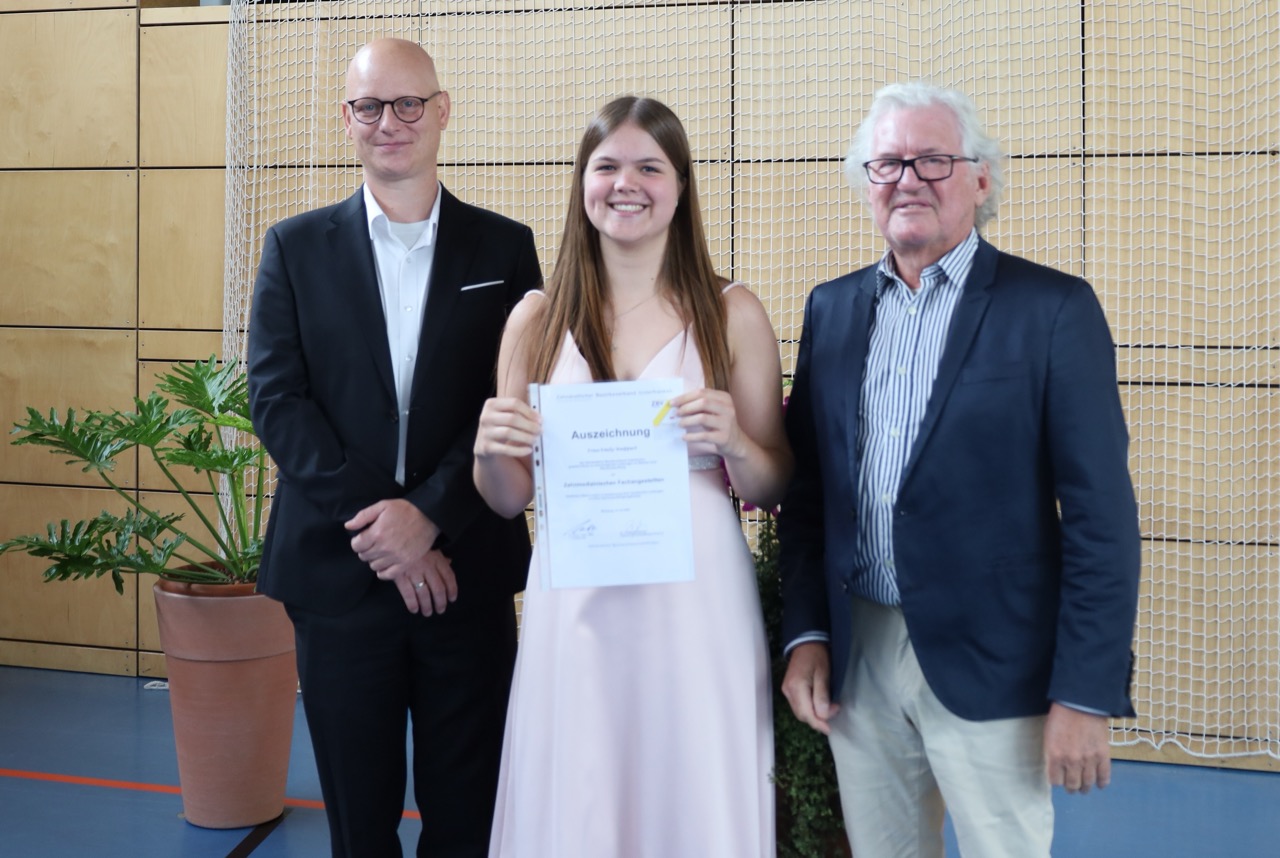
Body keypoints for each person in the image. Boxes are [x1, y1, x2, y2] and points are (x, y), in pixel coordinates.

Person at [777, 82, 1142, 858]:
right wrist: (807, 633)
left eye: (933, 160)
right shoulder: (830, 310)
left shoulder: (1053, 310)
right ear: (867, 185)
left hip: (996, 661)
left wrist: (1085, 690)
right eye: (887, 163)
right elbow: (809, 497)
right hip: (860, 657)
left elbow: (1102, 520)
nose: (908, 178)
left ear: (980, 179)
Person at [472, 96, 791, 857]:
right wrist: (488, 452)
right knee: (580, 785)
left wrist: (735, 443)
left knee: (692, 783)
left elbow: (777, 482)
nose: (627, 184)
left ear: (680, 186)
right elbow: (508, 498)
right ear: (582, 183)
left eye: (650, 167)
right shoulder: (535, 319)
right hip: (576, 597)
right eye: (607, 165)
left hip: (697, 600)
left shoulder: (732, 312)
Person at [247, 38, 542, 857]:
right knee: (359, 825)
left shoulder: (504, 248)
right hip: (338, 577)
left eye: (408, 102)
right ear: (346, 119)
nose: (390, 122)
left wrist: (432, 516)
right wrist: (389, 529)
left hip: (466, 572)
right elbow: (278, 401)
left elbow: (510, 400)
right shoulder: (293, 248)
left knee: (468, 820)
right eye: (369, 106)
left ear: (442, 111)